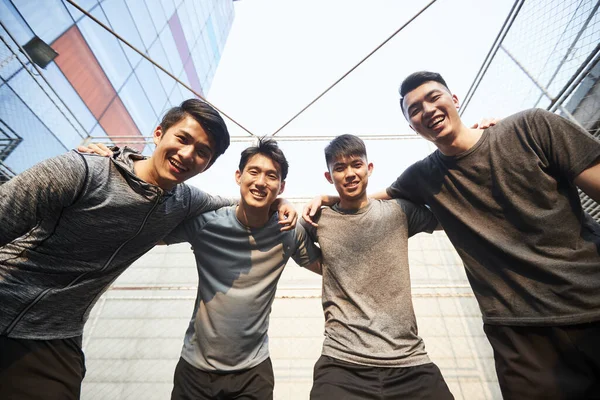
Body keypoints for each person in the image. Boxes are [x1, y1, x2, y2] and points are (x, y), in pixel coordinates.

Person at [306, 71, 600, 399]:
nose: (427, 110)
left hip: (591, 301)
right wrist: (330, 199)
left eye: (434, 97)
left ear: (455, 99)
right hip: (517, 332)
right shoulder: (423, 177)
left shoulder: (530, 127)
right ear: (412, 125)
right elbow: (372, 198)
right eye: (414, 109)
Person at [0, 99, 296, 400]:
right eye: (182, 139)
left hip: (55, 332)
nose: (187, 154)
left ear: (207, 164)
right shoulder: (84, 171)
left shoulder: (185, 201)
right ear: (158, 134)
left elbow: (242, 202)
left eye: (202, 152)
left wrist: (280, 203)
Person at [160, 137, 321, 400]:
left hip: (252, 373)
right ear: (238, 176)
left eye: (271, 176)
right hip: (195, 370)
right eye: (254, 172)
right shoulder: (206, 224)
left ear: (281, 187)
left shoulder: (290, 232)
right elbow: (149, 233)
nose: (260, 182)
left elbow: (328, 267)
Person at [301, 134, 453, 399]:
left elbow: (452, 216)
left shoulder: (398, 212)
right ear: (329, 177)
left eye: (356, 165)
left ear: (369, 169)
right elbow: (300, 251)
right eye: (339, 168)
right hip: (341, 363)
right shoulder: (316, 220)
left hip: (409, 360)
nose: (349, 173)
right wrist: (336, 271)